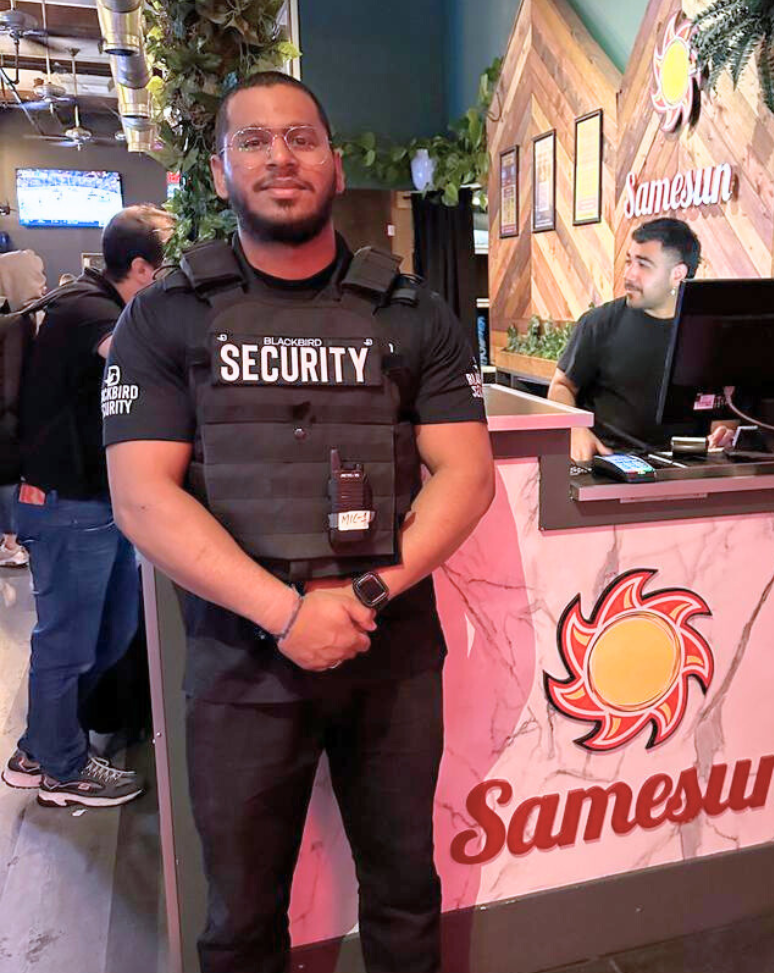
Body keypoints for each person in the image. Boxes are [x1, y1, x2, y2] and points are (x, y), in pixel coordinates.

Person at [102, 71, 495, 973]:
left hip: (388, 648)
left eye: (302, 138)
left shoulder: (412, 310)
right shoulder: (163, 317)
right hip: (241, 657)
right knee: (240, 917)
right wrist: (285, 614)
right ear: (220, 167)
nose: (281, 156)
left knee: (404, 892)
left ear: (335, 161)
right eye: (254, 140)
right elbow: (142, 498)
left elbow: (466, 477)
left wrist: (356, 596)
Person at [1, 206, 173, 803]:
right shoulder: (91, 311)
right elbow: (143, 364)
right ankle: (62, 770)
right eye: (163, 266)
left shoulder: (91, 301)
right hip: (66, 503)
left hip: (92, 502)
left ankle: (38, 748)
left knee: (108, 632)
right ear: (142, 268)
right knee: (69, 642)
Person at [548, 217, 734, 463]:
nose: (629, 274)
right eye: (629, 262)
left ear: (677, 274)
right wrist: (574, 428)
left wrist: (723, 432)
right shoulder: (599, 323)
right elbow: (561, 386)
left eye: (643, 265)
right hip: (611, 463)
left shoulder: (710, 331)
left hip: (689, 468)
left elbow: (726, 404)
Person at [0, 249, 49, 567]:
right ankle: (11, 540)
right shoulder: (19, 323)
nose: (42, 283)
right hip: (13, 429)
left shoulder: (28, 318)